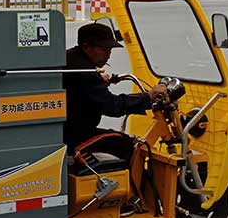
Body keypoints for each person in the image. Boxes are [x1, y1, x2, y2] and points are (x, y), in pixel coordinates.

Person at [63, 22, 167, 164]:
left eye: (110, 50)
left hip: (65, 131)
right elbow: (113, 106)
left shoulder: (71, 58)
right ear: (86, 46)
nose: (109, 55)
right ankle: (132, 186)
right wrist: (148, 97)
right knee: (125, 143)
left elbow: (82, 88)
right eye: (105, 50)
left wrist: (98, 80)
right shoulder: (85, 72)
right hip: (76, 136)